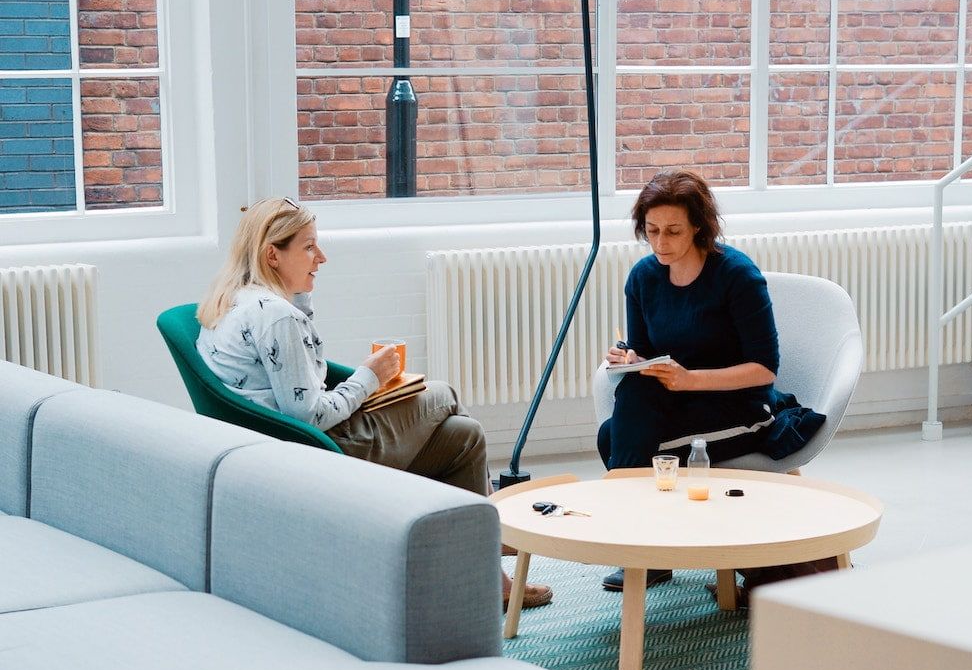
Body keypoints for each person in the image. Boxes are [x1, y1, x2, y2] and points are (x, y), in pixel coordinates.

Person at [196, 197, 552, 609]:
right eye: (309, 247)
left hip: (285, 448)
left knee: (465, 435)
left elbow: (297, 384)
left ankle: (486, 576)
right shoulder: (278, 317)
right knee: (444, 393)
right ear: (272, 254)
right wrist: (370, 377)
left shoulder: (238, 301)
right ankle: (494, 538)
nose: (322, 257)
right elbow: (307, 413)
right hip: (323, 451)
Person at [598, 169, 823, 593]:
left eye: (673, 231)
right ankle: (648, 547)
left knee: (615, 439)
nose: (660, 242)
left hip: (741, 406)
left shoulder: (736, 275)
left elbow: (765, 368)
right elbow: (645, 353)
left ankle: (640, 545)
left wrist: (689, 380)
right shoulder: (644, 277)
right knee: (619, 420)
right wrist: (629, 358)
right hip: (680, 401)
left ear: (698, 226)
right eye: (651, 231)